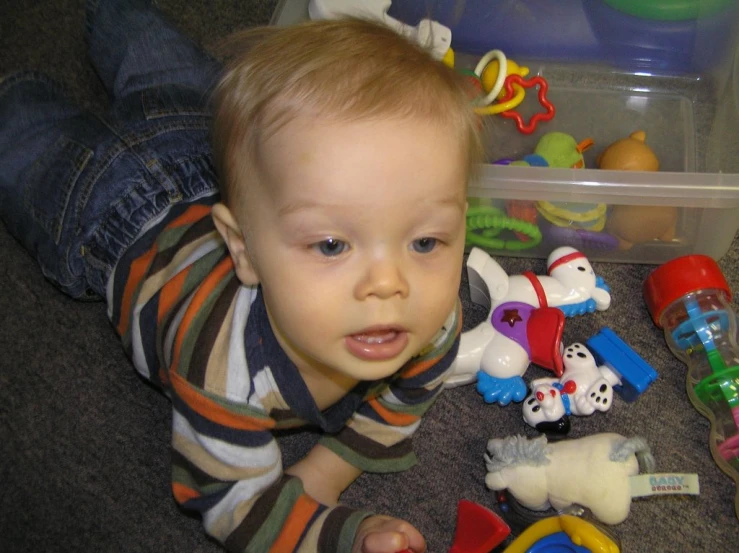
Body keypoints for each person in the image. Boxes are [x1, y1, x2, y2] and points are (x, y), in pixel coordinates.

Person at [0, 1, 482, 552]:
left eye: (425, 241)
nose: (389, 284)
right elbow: (236, 504)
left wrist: (329, 470)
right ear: (243, 251)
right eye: (331, 244)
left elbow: (413, 387)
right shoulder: (224, 378)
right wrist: (343, 539)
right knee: (30, 111)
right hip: (104, 209)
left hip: (237, 170)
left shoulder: (432, 316)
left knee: (116, 69)